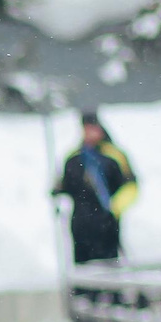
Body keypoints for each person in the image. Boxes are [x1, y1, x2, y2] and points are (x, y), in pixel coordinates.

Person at [52, 110, 138, 265]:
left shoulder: (114, 156)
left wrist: (115, 208)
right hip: (80, 222)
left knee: (108, 265)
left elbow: (131, 186)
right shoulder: (74, 158)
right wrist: (58, 192)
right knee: (83, 267)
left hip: (106, 221)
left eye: (92, 128)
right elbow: (67, 186)